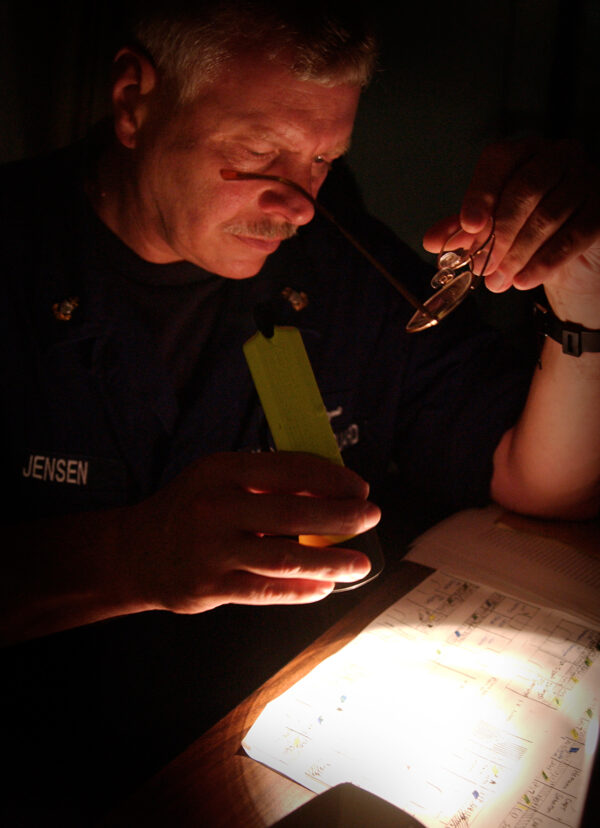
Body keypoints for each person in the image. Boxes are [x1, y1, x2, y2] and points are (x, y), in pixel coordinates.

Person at [1, 0, 599, 822]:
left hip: (291, 748)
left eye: (322, 159)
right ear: (135, 100)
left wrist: (583, 297)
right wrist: (126, 557)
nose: (299, 203)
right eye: (256, 154)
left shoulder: (338, 261)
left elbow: (538, 483)